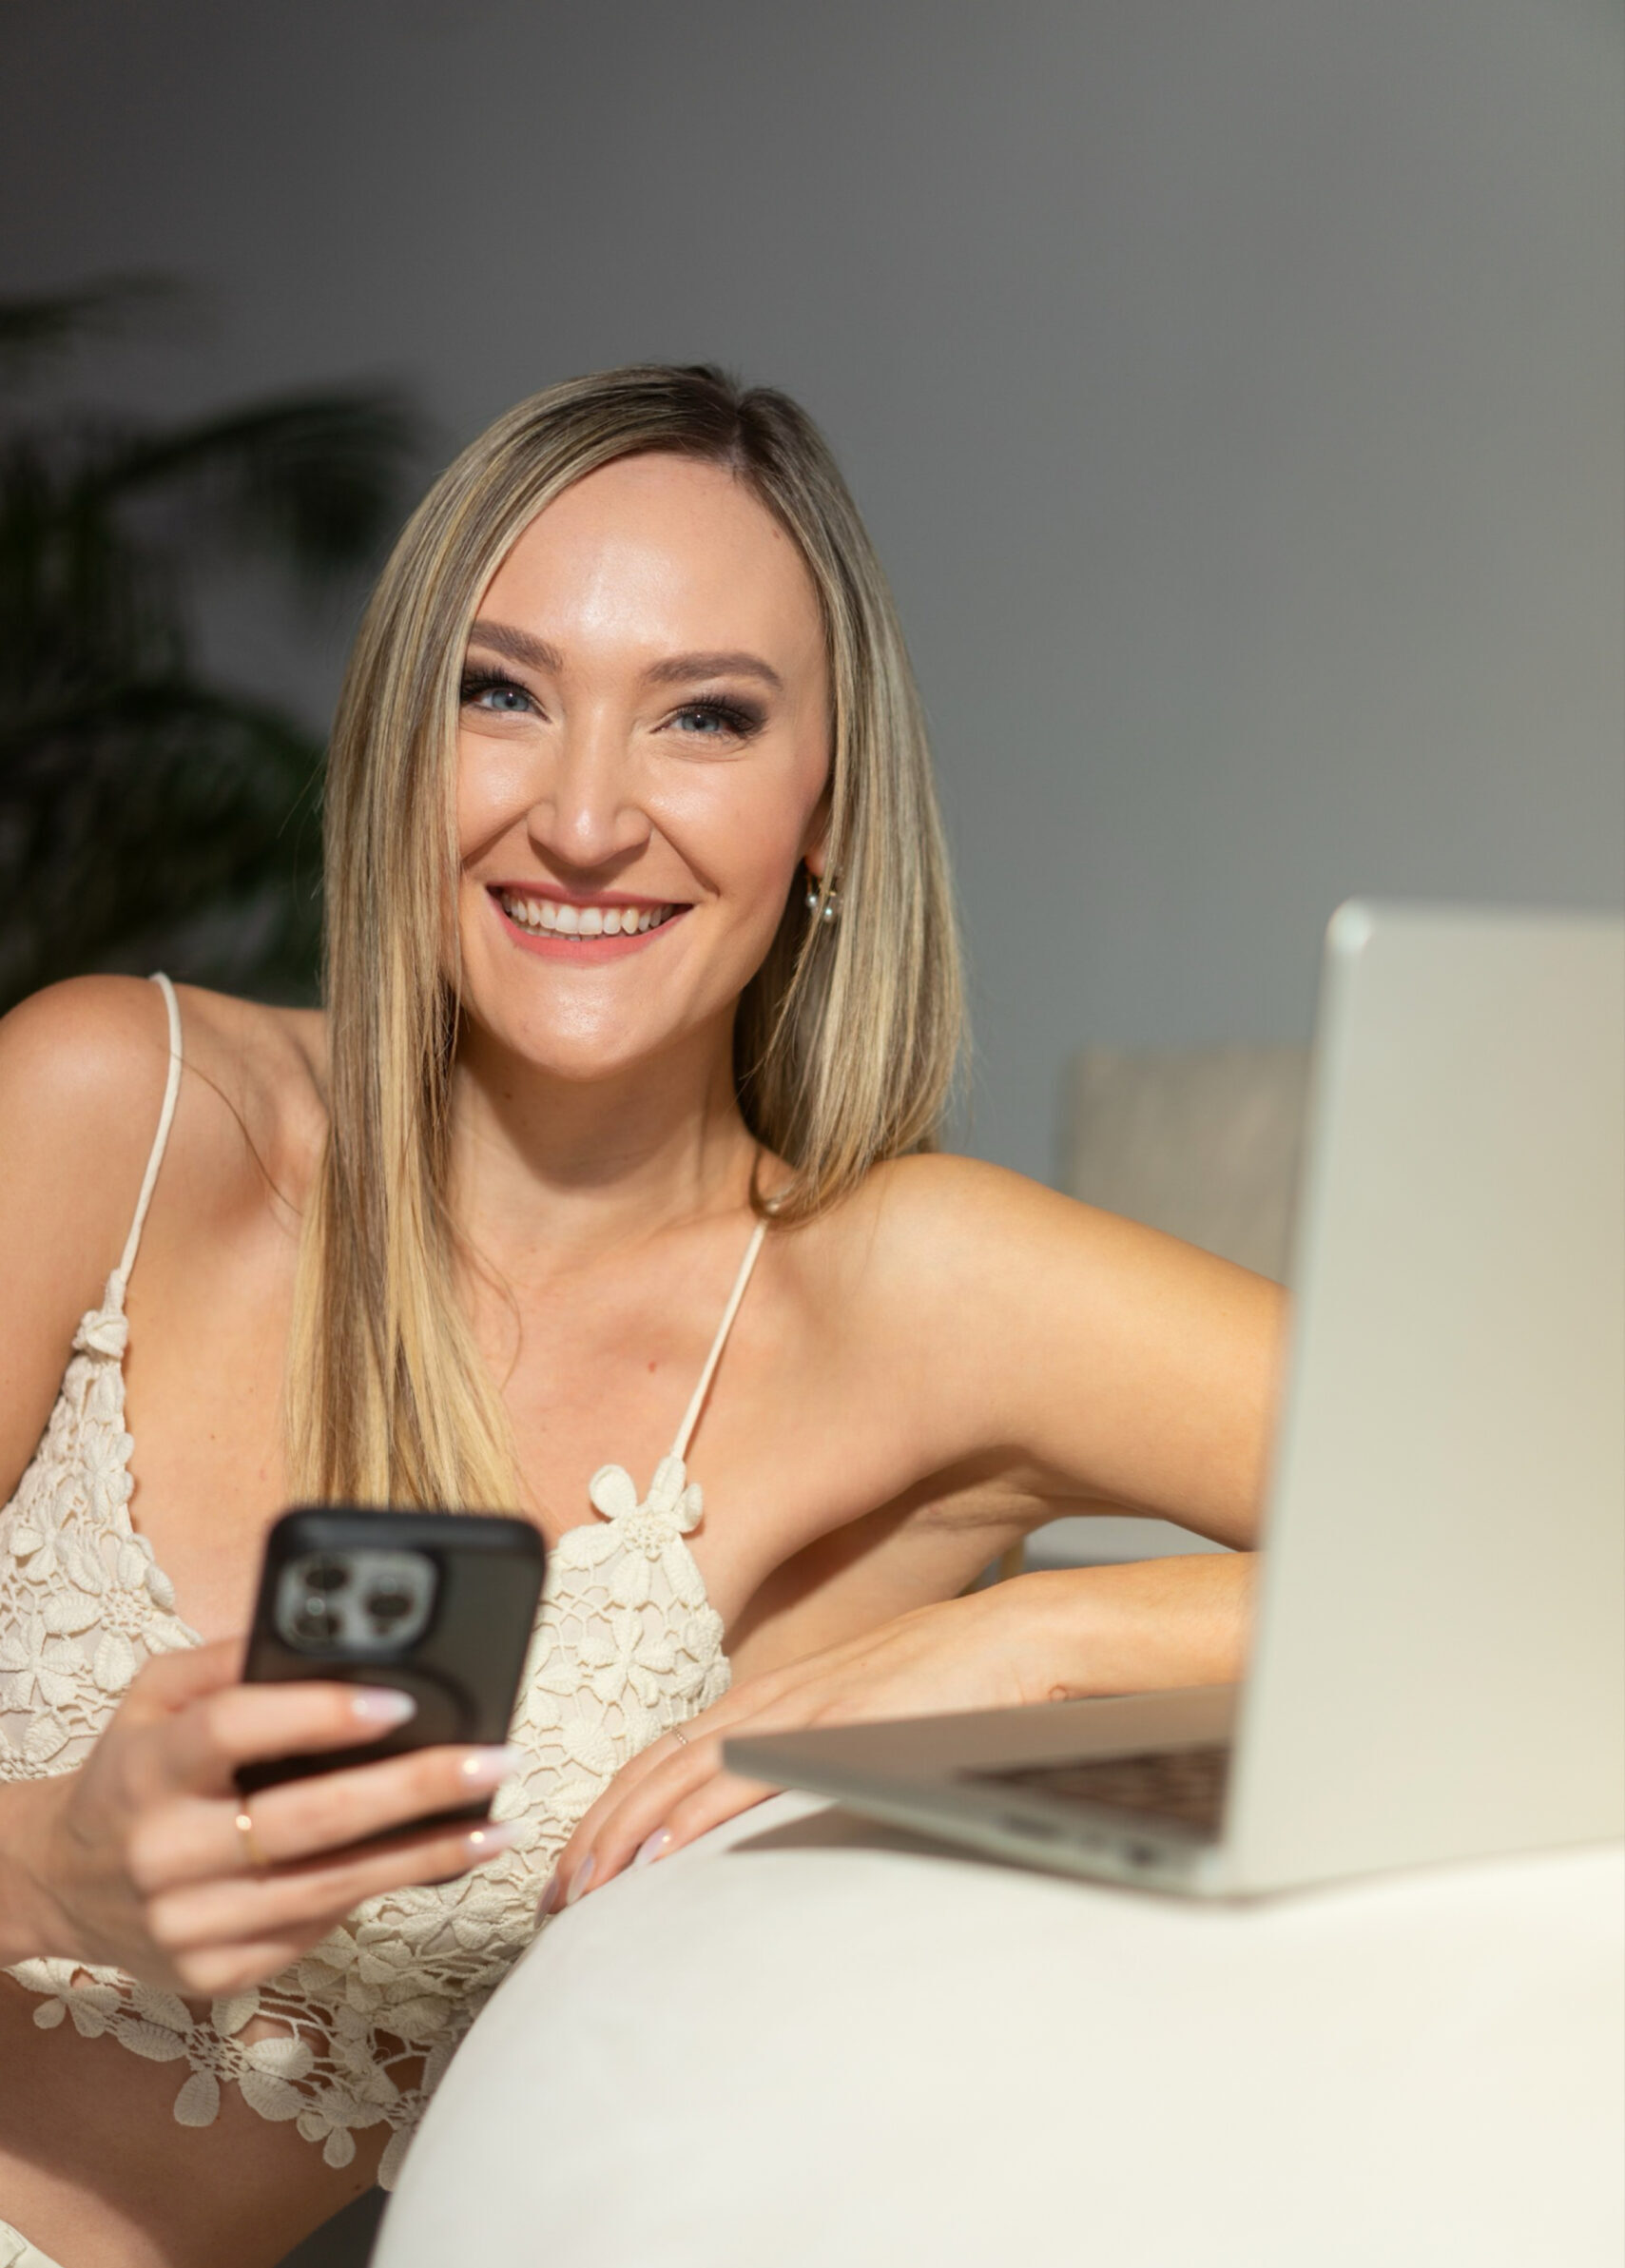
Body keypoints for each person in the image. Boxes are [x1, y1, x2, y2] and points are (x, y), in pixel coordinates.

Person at [0, 365, 1281, 2268]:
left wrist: (1035, 1641)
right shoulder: (116, 1108)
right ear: (399, 742)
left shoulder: (900, 1293)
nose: (585, 815)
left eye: (705, 715)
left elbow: (1559, 1528)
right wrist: (53, 1867)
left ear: (825, 809)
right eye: (501, 693)